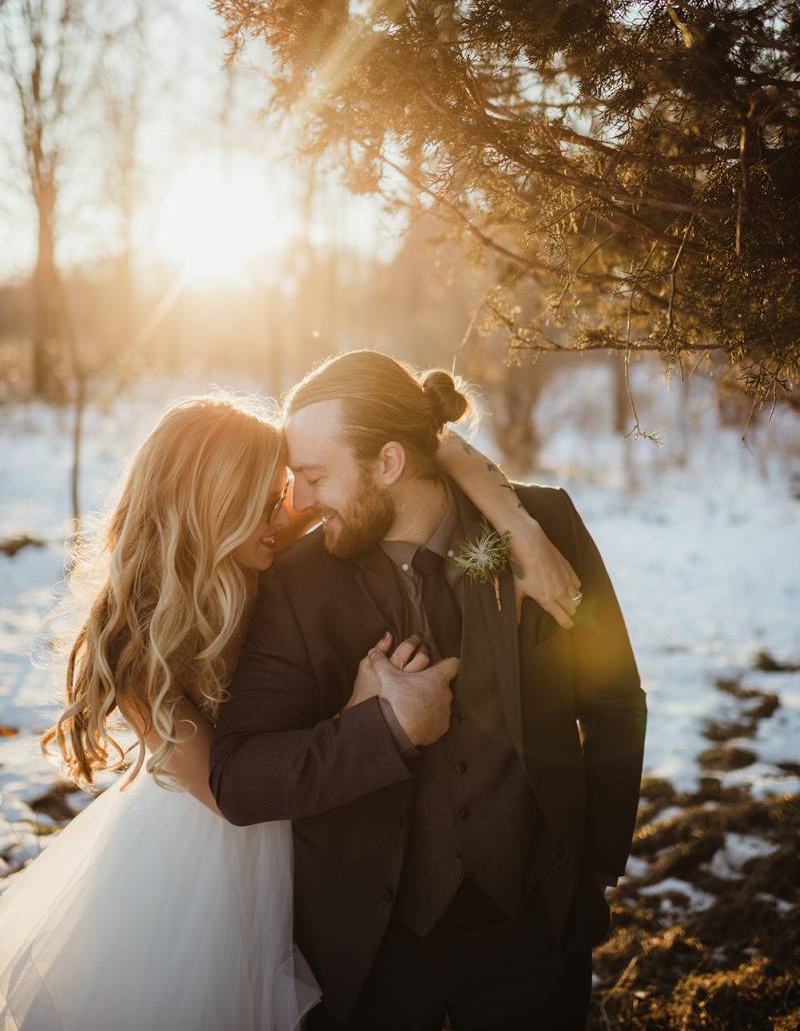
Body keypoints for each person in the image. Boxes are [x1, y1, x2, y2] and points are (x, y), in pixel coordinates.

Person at [0, 387, 577, 1031]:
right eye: (269, 502)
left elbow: (420, 435)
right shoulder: (143, 652)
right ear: (211, 510)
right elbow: (230, 796)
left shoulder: (265, 534)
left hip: (321, 835)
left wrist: (519, 526)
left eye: (288, 492)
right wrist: (360, 715)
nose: (294, 511)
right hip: (212, 874)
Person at [211, 352, 648, 1031]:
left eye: (315, 476)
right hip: (369, 951)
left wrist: (590, 864)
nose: (296, 502)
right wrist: (379, 732)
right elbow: (240, 776)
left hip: (536, 928)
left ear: (388, 463)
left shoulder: (542, 527)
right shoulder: (293, 585)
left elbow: (615, 700)